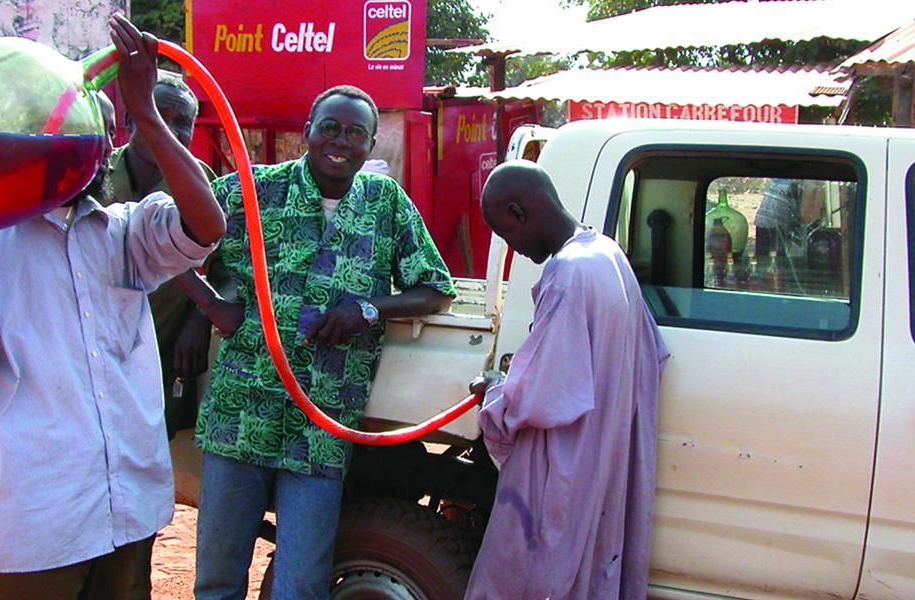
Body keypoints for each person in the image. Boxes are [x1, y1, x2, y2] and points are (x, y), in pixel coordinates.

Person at [0, 16, 224, 599]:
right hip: (37, 531)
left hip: (128, 512)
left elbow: (207, 227)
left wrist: (146, 115)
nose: (100, 148)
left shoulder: (124, 233)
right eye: (87, 132)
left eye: (107, 135)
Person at [189, 85, 456, 600]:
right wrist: (208, 308)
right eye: (330, 127)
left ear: (371, 143)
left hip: (323, 422)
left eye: (356, 133)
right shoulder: (251, 189)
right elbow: (168, 237)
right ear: (307, 131)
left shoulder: (385, 204)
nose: (341, 141)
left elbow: (435, 288)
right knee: (219, 576)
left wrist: (368, 309)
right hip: (242, 410)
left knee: (303, 582)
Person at [466, 160, 669, 600]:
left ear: (519, 212)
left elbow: (540, 394)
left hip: (568, 460)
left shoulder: (569, 272)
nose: (513, 248)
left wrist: (494, 392)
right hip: (606, 445)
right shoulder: (606, 251)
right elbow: (650, 352)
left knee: (541, 571)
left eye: (506, 233)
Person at [98, 69, 227, 600]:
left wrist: (198, 321)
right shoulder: (95, 175)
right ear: (133, 117)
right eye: (161, 115)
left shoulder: (197, 182)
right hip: (94, 356)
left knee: (141, 481)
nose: (171, 129)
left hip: (158, 361)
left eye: (184, 121)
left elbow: (226, 264)